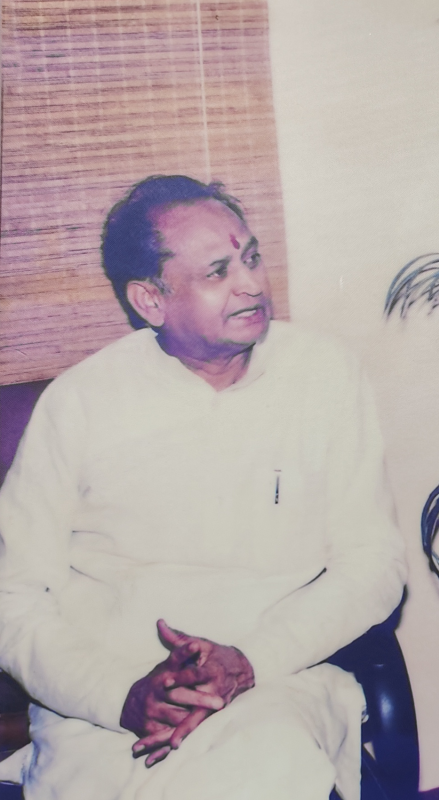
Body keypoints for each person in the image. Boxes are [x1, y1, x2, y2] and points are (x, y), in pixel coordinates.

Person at [0, 176, 407, 800]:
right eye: (218, 271)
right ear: (150, 300)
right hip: (108, 703)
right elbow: (13, 595)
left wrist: (252, 659)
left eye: (251, 257)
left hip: (273, 681)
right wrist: (117, 694)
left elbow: (374, 563)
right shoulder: (79, 403)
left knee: (265, 767)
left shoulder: (323, 374)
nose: (251, 284)